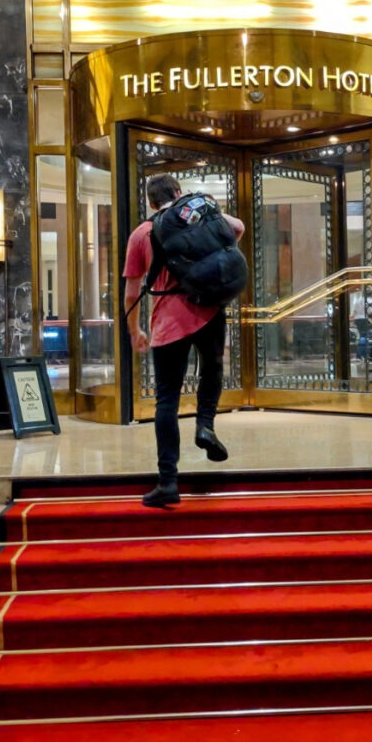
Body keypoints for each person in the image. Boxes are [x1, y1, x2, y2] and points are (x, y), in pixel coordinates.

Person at [123, 175, 245, 508]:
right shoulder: (197, 213)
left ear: (150, 202)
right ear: (178, 194)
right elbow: (238, 227)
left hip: (167, 324)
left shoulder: (141, 234)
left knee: (167, 401)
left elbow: (132, 291)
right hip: (209, 310)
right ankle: (205, 424)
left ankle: (168, 482)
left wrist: (135, 331)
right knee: (212, 369)